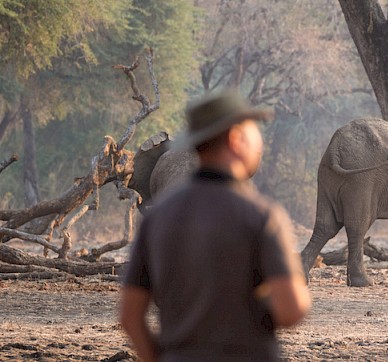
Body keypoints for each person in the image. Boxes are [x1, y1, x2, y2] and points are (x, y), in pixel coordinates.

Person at [118, 92, 311, 361]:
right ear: (235, 138)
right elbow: (292, 310)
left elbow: (129, 316)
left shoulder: (156, 218)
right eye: (253, 131)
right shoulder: (261, 216)